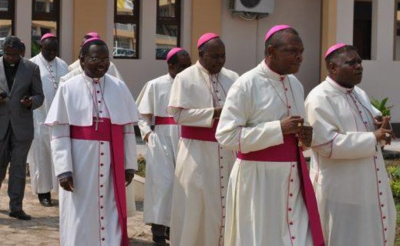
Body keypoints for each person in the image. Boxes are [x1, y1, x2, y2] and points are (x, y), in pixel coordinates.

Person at [216, 25, 324, 246]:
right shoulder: (246, 84)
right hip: (258, 180)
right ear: (272, 51)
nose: (300, 57)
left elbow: (297, 136)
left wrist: (305, 138)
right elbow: (226, 136)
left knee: (299, 237)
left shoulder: (296, 84)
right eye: (292, 51)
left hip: (293, 177)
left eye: (301, 51)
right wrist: (278, 129)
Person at [45, 38, 138, 245]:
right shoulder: (68, 87)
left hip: (112, 162)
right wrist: (63, 169)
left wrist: (129, 164)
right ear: (82, 60)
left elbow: (127, 131)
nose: (102, 64)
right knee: (80, 210)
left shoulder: (119, 87)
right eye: (96, 58)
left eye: (106, 59)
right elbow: (59, 132)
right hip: (80, 163)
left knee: (110, 205)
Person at [305, 43, 395, 246]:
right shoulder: (319, 98)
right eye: (351, 62)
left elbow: (373, 124)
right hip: (341, 191)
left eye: (360, 62)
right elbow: (326, 144)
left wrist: (381, 126)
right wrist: (373, 137)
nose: (359, 66)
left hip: (367, 186)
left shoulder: (358, 94)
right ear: (333, 67)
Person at [167, 33, 239, 246]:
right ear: (201, 54)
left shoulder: (233, 78)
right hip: (195, 154)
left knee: (225, 204)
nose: (220, 61)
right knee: (195, 205)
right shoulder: (185, 78)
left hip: (226, 152)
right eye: (215, 56)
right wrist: (214, 113)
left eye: (223, 56)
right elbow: (178, 115)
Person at [136, 47, 191, 244]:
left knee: (183, 186)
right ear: (170, 65)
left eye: (188, 66)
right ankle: (158, 231)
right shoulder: (155, 85)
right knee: (163, 186)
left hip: (187, 139)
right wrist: (148, 135)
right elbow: (141, 115)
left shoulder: (193, 85)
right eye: (182, 66)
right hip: (161, 141)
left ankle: (174, 228)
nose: (186, 70)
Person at [0, 36, 44, 220]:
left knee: (18, 167)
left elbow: (39, 96)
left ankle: (16, 207)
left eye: (14, 55)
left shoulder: (31, 68)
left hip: (22, 126)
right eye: (7, 54)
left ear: (22, 52)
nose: (11, 58)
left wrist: (30, 102)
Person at [28, 33, 69, 207]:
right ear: (40, 48)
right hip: (39, 117)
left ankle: (62, 191)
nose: (52, 53)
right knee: (41, 156)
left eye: (54, 50)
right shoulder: (32, 65)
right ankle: (43, 192)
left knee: (60, 154)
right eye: (48, 49)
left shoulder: (63, 65)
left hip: (59, 119)